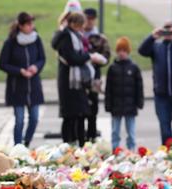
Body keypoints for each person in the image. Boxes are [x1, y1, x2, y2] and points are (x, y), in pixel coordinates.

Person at [52, 12, 105, 146]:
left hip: (78, 81)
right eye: (80, 25)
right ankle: (69, 144)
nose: (82, 28)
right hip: (69, 82)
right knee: (70, 115)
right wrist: (89, 57)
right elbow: (72, 58)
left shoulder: (75, 36)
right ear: (73, 24)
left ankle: (81, 144)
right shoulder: (66, 36)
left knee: (81, 114)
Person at [0, 12, 45, 146]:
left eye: (32, 23)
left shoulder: (36, 39)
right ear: (21, 26)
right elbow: (3, 64)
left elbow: (42, 58)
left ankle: (27, 142)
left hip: (34, 86)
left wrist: (36, 67)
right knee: (19, 120)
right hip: (17, 86)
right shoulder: (11, 42)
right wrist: (20, 71)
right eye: (28, 24)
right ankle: (17, 146)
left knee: (34, 118)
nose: (31, 26)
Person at [105, 37, 144, 151]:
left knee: (131, 132)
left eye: (124, 50)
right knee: (115, 131)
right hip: (116, 106)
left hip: (130, 105)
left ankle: (131, 150)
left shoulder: (134, 68)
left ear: (128, 51)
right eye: (119, 51)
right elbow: (109, 89)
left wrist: (139, 102)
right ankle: (115, 149)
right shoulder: (112, 68)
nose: (121, 53)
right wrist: (108, 104)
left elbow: (139, 87)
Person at [83, 8, 110, 142]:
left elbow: (106, 56)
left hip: (94, 78)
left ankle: (92, 137)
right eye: (87, 18)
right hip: (80, 78)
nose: (89, 21)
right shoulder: (78, 35)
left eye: (91, 18)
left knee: (93, 109)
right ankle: (80, 139)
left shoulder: (99, 37)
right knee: (80, 110)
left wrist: (98, 58)